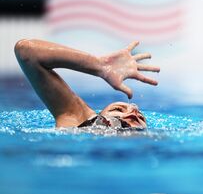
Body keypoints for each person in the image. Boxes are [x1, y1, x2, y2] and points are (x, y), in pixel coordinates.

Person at [14, 39, 160, 129]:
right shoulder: (76, 121)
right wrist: (99, 65)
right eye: (118, 109)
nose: (133, 112)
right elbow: (26, 52)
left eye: (141, 117)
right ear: (97, 117)